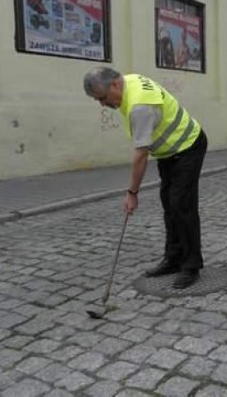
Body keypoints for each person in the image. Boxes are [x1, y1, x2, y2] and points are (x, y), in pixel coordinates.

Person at [83, 67, 207, 289]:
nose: (103, 104)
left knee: (181, 204)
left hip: (188, 146)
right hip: (169, 152)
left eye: (102, 98)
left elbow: (141, 155)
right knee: (169, 204)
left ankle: (191, 265)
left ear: (115, 85)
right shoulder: (128, 82)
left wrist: (132, 193)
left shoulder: (140, 105)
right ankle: (173, 258)